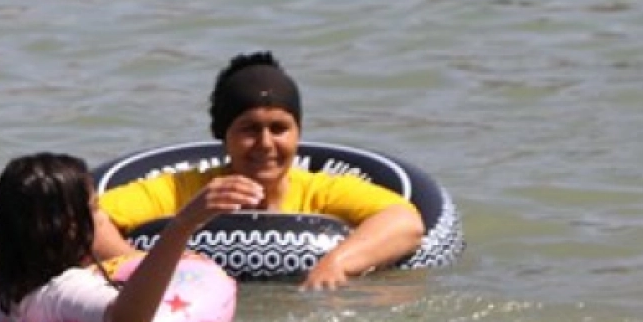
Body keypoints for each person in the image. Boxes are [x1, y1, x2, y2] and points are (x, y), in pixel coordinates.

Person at [97, 51, 426, 290]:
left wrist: (336, 262)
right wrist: (142, 268)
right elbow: (84, 218)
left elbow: (405, 222)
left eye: (279, 128)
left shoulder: (320, 190)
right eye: (249, 129)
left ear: (298, 133)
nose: (266, 144)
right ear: (223, 135)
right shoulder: (183, 190)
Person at [0, 152, 256, 322]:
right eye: (96, 211)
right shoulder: (67, 291)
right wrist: (182, 225)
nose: (105, 219)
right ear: (70, 229)